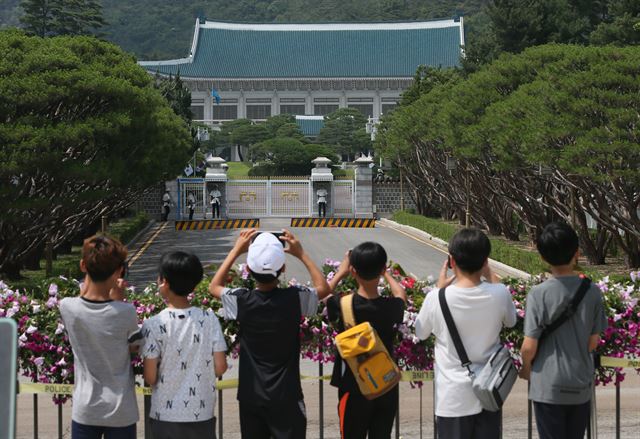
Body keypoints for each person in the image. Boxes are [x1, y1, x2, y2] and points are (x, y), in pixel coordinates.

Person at [208, 229, 331, 439]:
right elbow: (323, 288)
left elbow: (214, 286)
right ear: (282, 268)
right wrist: (301, 253)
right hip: (287, 394)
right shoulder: (294, 298)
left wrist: (236, 250)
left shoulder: (242, 300)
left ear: (248, 269)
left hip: (251, 394)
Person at [415, 228, 517, 439]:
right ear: (485, 261)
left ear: (451, 262)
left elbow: (421, 332)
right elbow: (511, 320)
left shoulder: (437, 297)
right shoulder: (499, 293)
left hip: (452, 398)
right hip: (489, 391)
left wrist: (438, 288)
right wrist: (492, 277)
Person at [519, 222, 607, 439]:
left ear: (542, 257)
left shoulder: (538, 294)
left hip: (548, 386)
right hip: (580, 382)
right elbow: (592, 343)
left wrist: (526, 368)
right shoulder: (592, 291)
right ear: (577, 253)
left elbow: (529, 346)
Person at [59, 235, 139, 439]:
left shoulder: (68, 307)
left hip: (86, 408)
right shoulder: (126, 312)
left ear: (82, 265)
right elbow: (135, 346)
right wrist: (118, 300)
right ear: (119, 270)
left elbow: (84, 297)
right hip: (121, 409)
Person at [141, 251, 227, 439]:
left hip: (165, 415)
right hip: (201, 412)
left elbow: (150, 376)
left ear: (165, 282)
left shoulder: (153, 324)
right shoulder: (209, 318)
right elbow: (220, 367)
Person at [326, 242, 407, 439]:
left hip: (353, 387)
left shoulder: (342, 304)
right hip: (385, 385)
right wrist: (386, 273)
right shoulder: (391, 307)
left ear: (353, 271)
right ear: (381, 269)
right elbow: (400, 295)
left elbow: (323, 293)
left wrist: (340, 273)